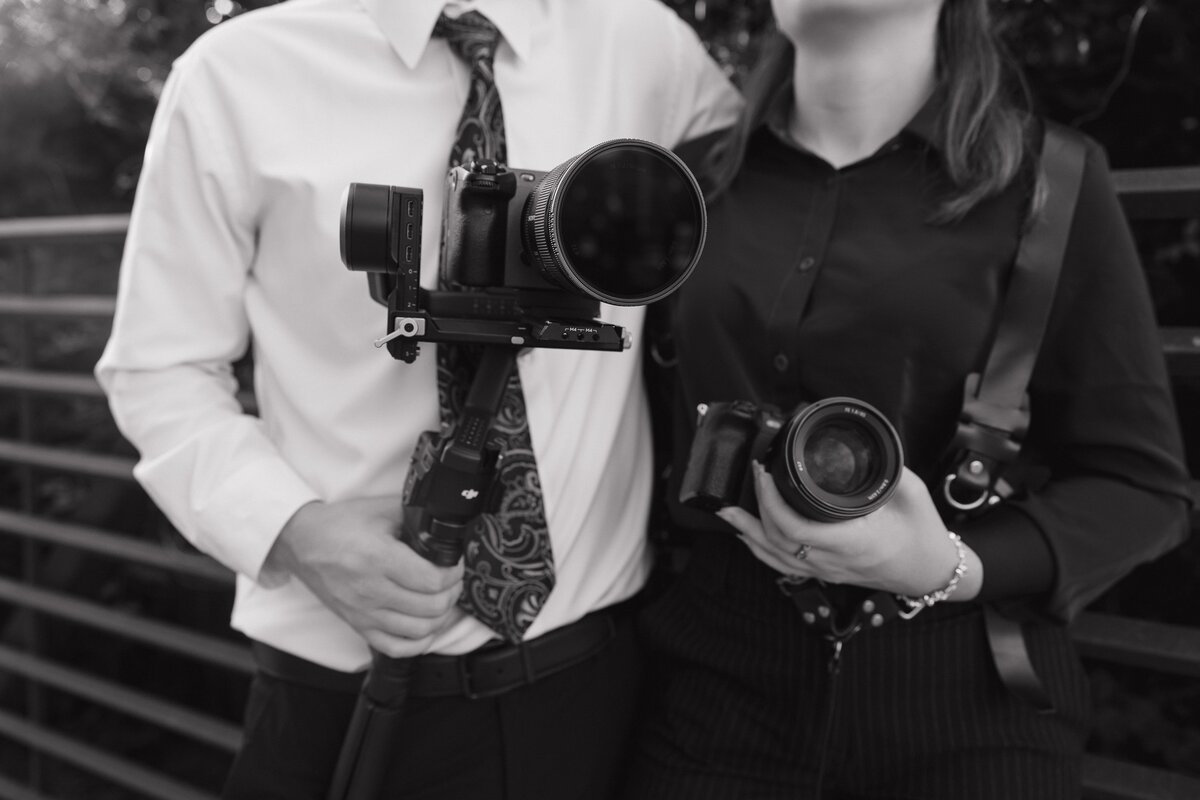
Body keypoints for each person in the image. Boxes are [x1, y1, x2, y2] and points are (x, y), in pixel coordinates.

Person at [94, 1, 741, 798]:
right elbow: (158, 368)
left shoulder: (641, 42)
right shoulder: (236, 73)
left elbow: (785, 186)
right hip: (343, 687)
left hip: (593, 683)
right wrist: (293, 530)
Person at [625, 1, 1192, 798]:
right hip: (713, 685)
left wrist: (950, 567)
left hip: (966, 696)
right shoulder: (684, 183)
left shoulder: (1052, 181)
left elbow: (1143, 487)